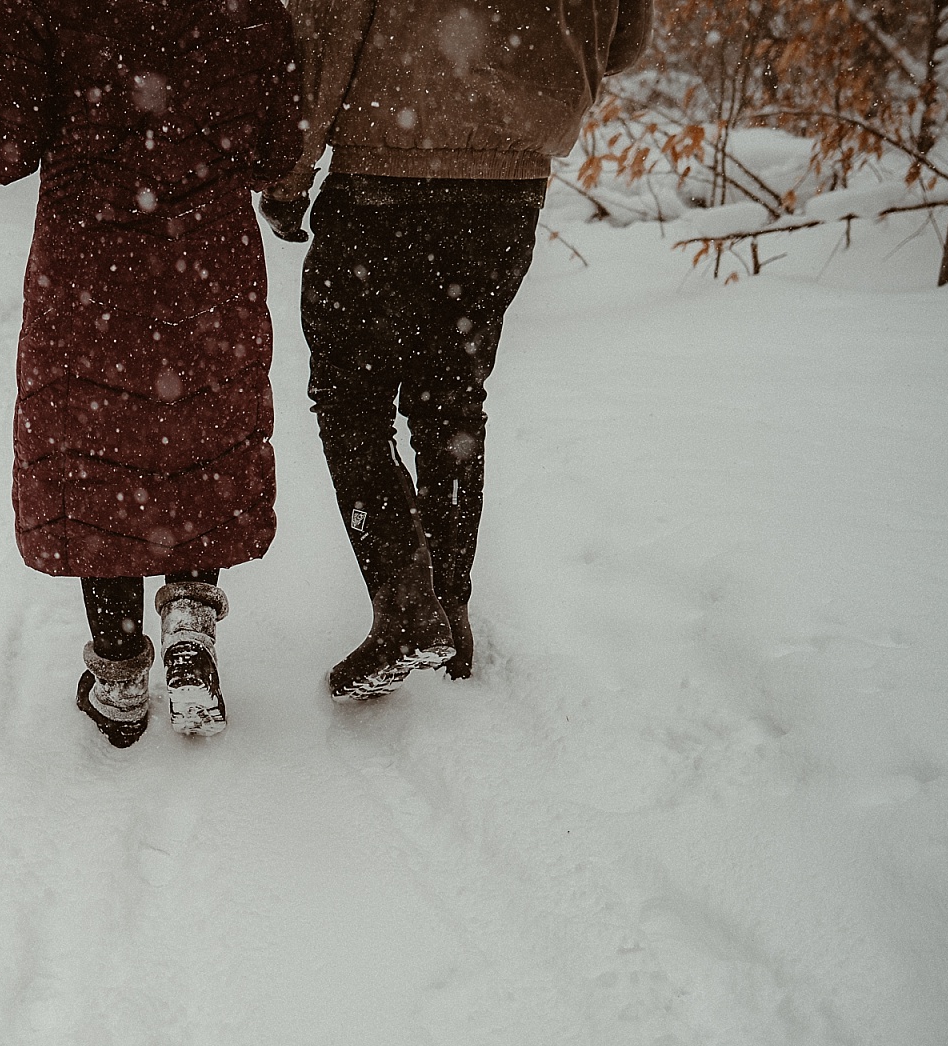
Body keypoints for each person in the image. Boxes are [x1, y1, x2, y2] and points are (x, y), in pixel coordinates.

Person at [260, 0, 653, 700]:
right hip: (509, 186)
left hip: (386, 167)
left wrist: (291, 170)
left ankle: (408, 610)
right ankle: (450, 614)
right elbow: (625, 38)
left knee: (352, 401)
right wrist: (527, 80)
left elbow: (328, 25)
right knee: (450, 399)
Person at [0, 0, 302, 746]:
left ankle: (116, 673)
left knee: (97, 448)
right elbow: (277, 146)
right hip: (207, 256)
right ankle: (190, 624)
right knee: (198, 428)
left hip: (90, 263)